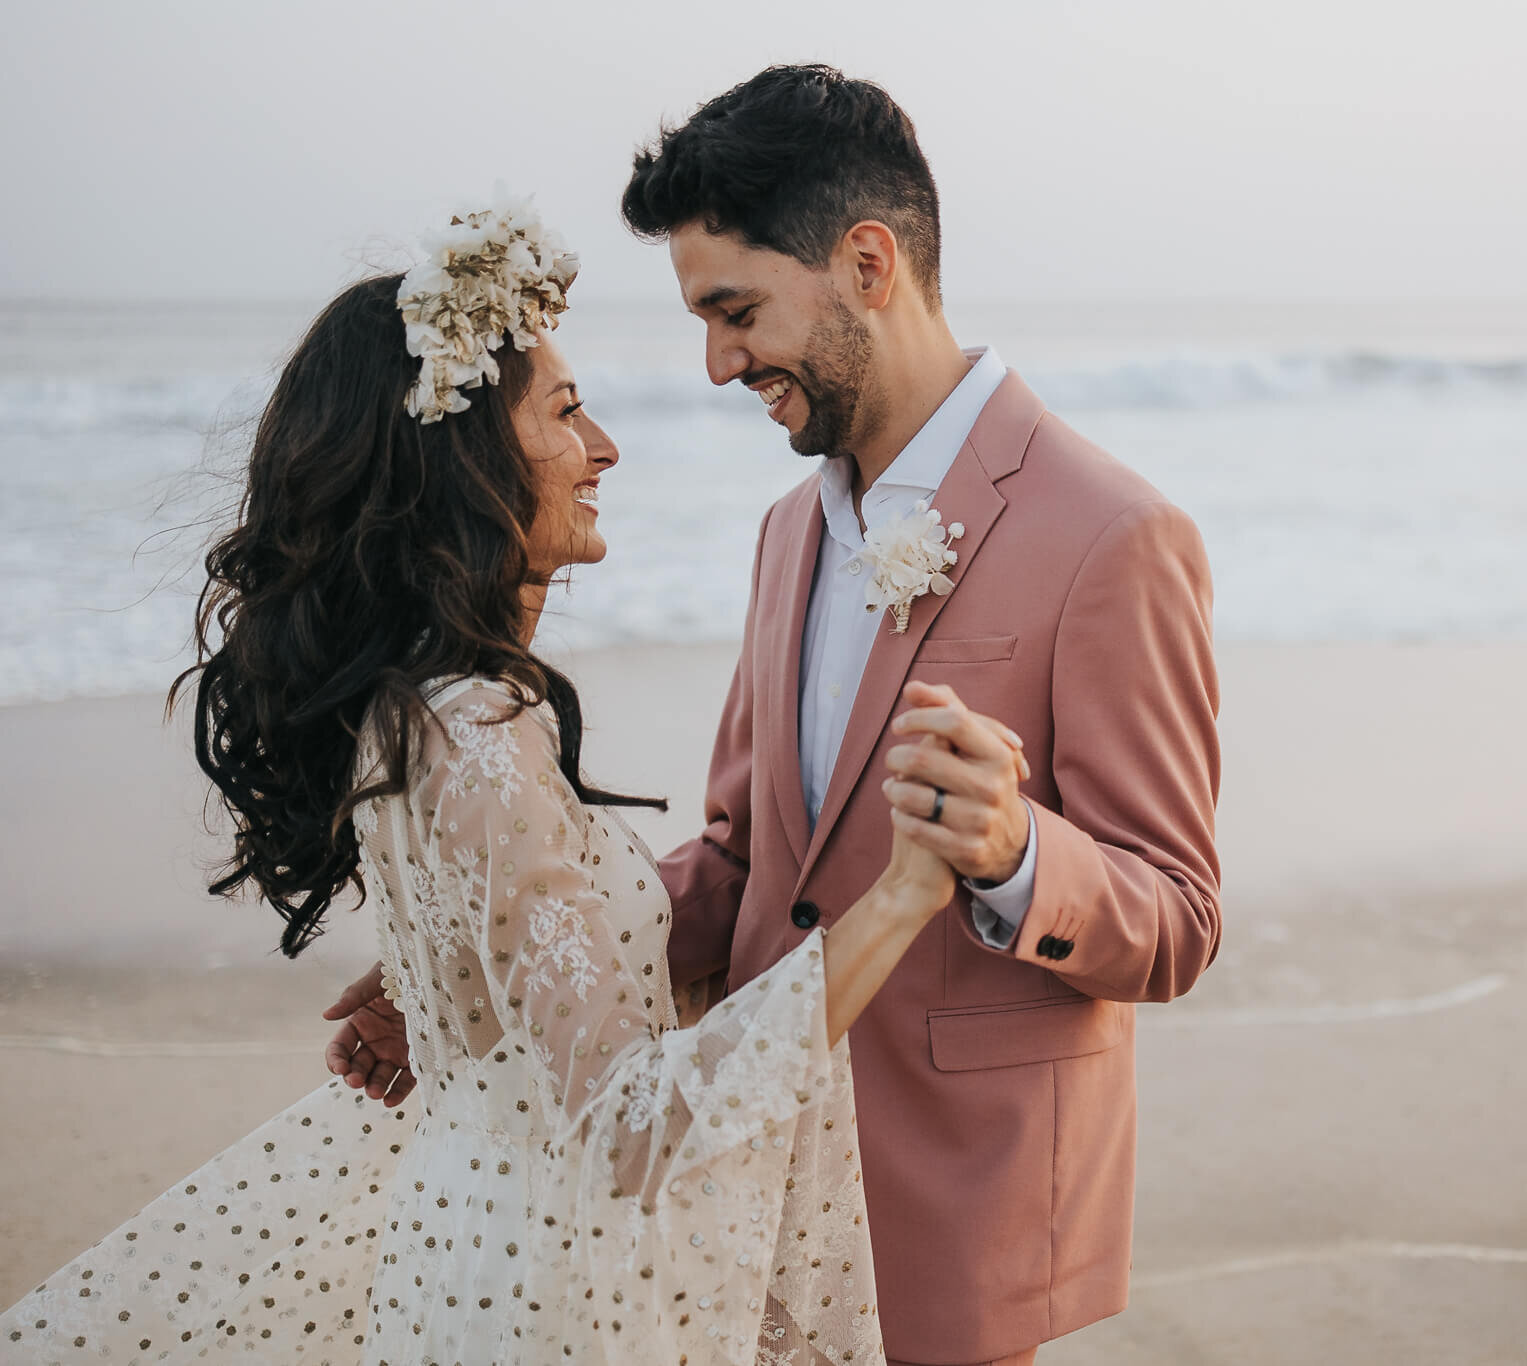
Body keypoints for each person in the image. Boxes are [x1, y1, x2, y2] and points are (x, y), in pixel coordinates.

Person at [330, 67, 1226, 1366]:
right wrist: (500, 962)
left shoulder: (1114, 537)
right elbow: (752, 864)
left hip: (949, 1216)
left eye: (735, 311)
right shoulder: (785, 535)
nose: (714, 363)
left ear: (867, 262)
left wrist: (1014, 850)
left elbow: (1180, 918)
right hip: (734, 1204)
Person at [1, 198, 974, 1365]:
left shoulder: (415, 708)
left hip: (472, 1245)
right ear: (461, 459)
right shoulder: (477, 733)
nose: (605, 448)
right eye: (567, 412)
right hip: (543, 1287)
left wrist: (451, 985)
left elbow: (534, 976)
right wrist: (906, 894)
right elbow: (633, 1124)